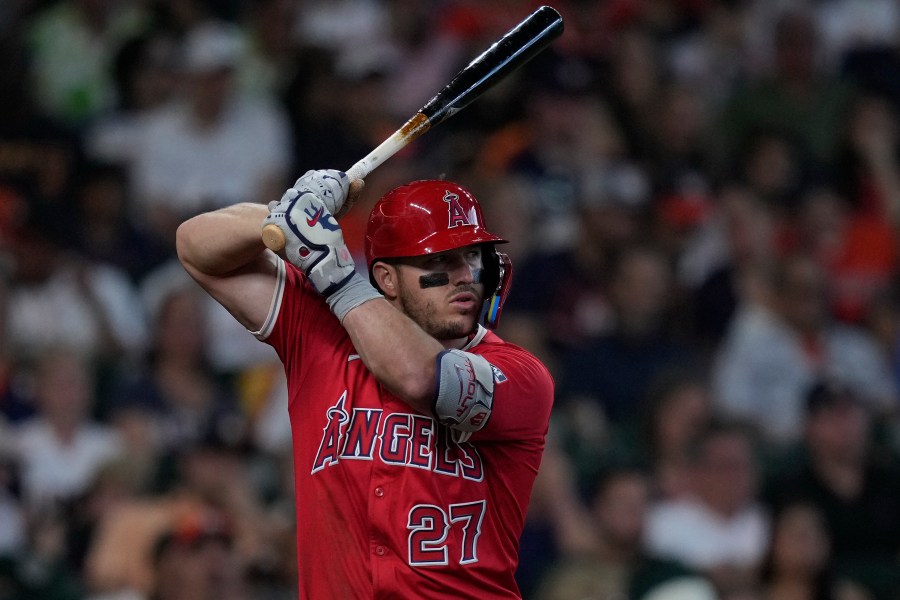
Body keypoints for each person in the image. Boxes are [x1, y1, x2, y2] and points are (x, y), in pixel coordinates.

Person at [175, 170, 555, 598]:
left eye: (470, 257)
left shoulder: (519, 375)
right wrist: (284, 216)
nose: (464, 275)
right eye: (437, 262)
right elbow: (194, 246)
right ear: (388, 280)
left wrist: (337, 277)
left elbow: (420, 376)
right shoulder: (319, 335)